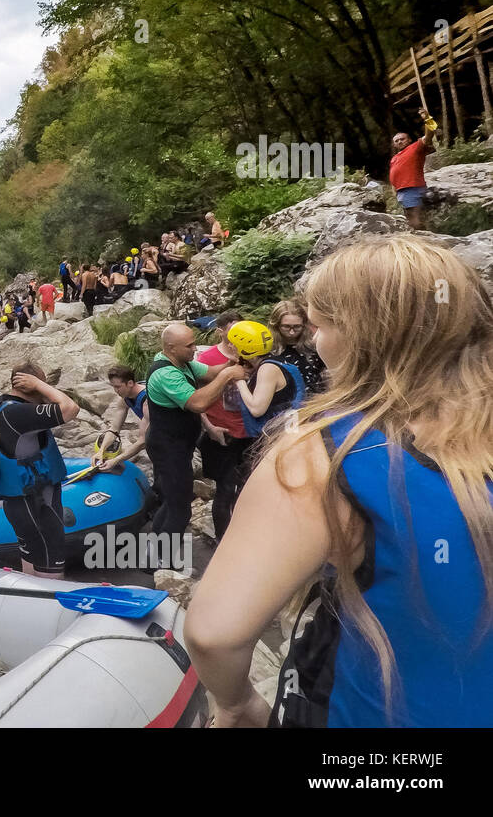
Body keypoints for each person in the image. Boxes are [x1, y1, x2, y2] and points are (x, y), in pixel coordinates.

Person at [185, 237, 493, 727]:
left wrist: (236, 702)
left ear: (360, 335)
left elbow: (214, 632)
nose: (314, 341)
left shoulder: (328, 453)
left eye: (320, 327)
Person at [144, 324, 247, 550]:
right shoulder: (166, 373)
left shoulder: (183, 363)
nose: (195, 348)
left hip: (178, 445)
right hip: (168, 448)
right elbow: (198, 402)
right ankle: (163, 560)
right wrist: (229, 374)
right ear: (171, 348)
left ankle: (153, 553)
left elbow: (210, 373)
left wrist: (234, 363)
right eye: (189, 345)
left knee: (172, 502)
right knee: (181, 508)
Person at [0, 362, 80, 577]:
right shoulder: (18, 414)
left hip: (19, 501)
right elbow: (70, 408)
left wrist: (38, 386)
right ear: (29, 385)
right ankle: (52, 606)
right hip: (37, 501)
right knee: (50, 558)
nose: (45, 389)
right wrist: (38, 384)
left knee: (31, 558)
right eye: (42, 384)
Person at [194, 310, 252, 539]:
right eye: (233, 329)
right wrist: (208, 427)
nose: (239, 334)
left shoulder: (255, 354)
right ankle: (222, 540)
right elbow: (194, 398)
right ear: (220, 330)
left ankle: (244, 537)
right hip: (221, 433)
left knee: (248, 488)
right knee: (225, 489)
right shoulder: (207, 359)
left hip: (250, 431)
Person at [229, 320, 306, 453]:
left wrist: (239, 381)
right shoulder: (276, 362)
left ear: (243, 346)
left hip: (277, 440)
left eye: (233, 343)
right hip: (285, 435)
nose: (230, 346)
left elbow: (257, 409)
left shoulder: (268, 368)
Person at [389, 111, 439, 231]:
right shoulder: (395, 158)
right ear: (394, 145)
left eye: (402, 139)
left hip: (412, 188)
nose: (399, 141)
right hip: (402, 192)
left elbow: (430, 134)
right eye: (396, 141)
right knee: (411, 218)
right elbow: (394, 175)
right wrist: (394, 190)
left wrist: (428, 119)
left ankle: (425, 242)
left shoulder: (416, 147)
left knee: (414, 220)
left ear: (409, 140)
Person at [269, 299, 327, 395]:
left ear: (304, 325)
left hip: (314, 401)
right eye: (286, 327)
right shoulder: (268, 350)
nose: (292, 332)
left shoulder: (314, 347)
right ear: (276, 325)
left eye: (297, 327)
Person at [101, 365, 151, 472]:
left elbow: (143, 441)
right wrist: (101, 451)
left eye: (118, 387)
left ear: (130, 383)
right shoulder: (126, 398)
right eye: (113, 387)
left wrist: (115, 460)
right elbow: (114, 429)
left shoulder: (147, 400)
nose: (116, 391)